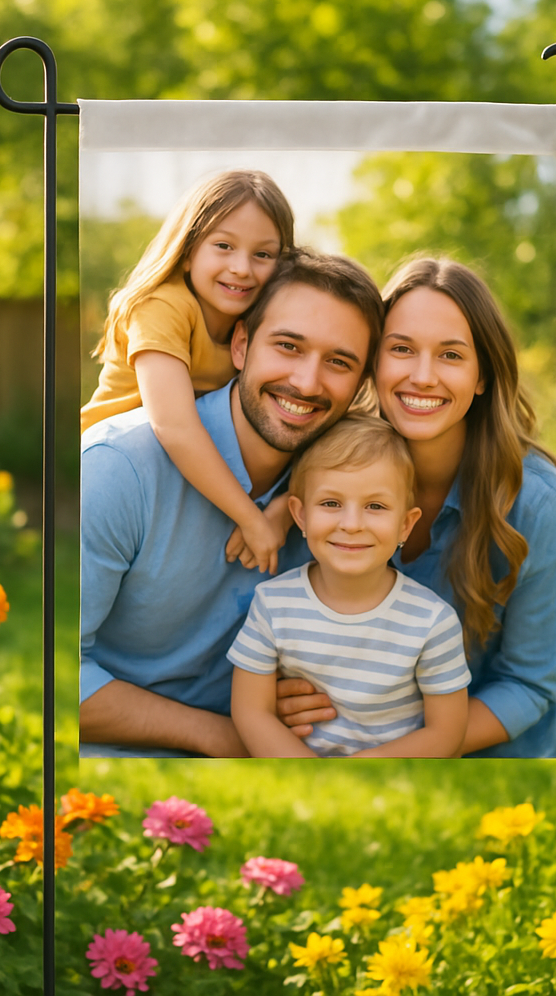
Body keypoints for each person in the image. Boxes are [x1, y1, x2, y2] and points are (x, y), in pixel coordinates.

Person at [79, 250, 384, 757]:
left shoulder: (350, 500)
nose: (307, 384)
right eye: (288, 346)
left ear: (359, 384)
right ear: (240, 344)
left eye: (339, 362)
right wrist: (225, 736)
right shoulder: (118, 471)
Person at [278, 256, 556, 758]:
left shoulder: (537, 502)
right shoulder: (330, 467)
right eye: (402, 349)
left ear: (482, 376)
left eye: (451, 356)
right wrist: (279, 697)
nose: (423, 376)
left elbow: (529, 684)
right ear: (375, 362)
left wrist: (399, 748)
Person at [82, 169, 295, 573]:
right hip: (116, 478)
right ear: (188, 250)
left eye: (263, 254)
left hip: (188, 471)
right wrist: (252, 518)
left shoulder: (256, 322)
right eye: (224, 246)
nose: (242, 268)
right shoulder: (162, 306)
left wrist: (285, 505)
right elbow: (174, 426)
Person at [228, 415, 470, 758]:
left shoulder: (432, 621)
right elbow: (251, 712)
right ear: (300, 515)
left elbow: (446, 733)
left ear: (405, 524)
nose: (352, 524)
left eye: (375, 506)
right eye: (331, 503)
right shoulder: (273, 604)